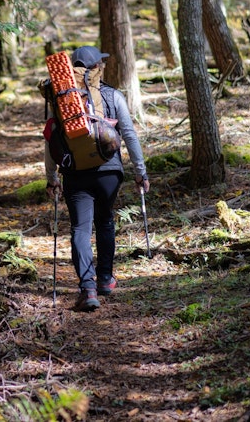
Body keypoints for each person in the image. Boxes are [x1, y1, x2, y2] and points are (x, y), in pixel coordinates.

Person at [45, 45, 149, 312]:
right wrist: (140, 171)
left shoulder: (63, 101)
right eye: (100, 63)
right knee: (105, 221)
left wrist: (51, 177)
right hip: (109, 172)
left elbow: (50, 139)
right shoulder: (113, 95)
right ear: (96, 68)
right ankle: (105, 279)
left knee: (80, 228)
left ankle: (88, 288)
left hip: (75, 172)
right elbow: (129, 133)